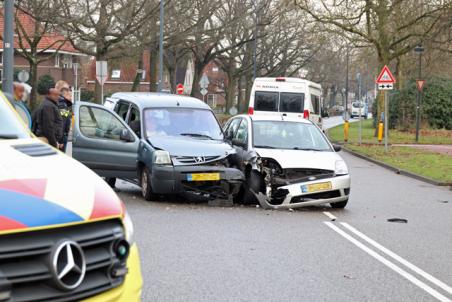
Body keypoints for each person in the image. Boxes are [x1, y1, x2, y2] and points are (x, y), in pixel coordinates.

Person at [56, 80, 73, 152]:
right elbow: (62, 123)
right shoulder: (62, 105)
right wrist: (60, 140)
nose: (70, 92)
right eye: (67, 90)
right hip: (61, 137)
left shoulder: (64, 104)